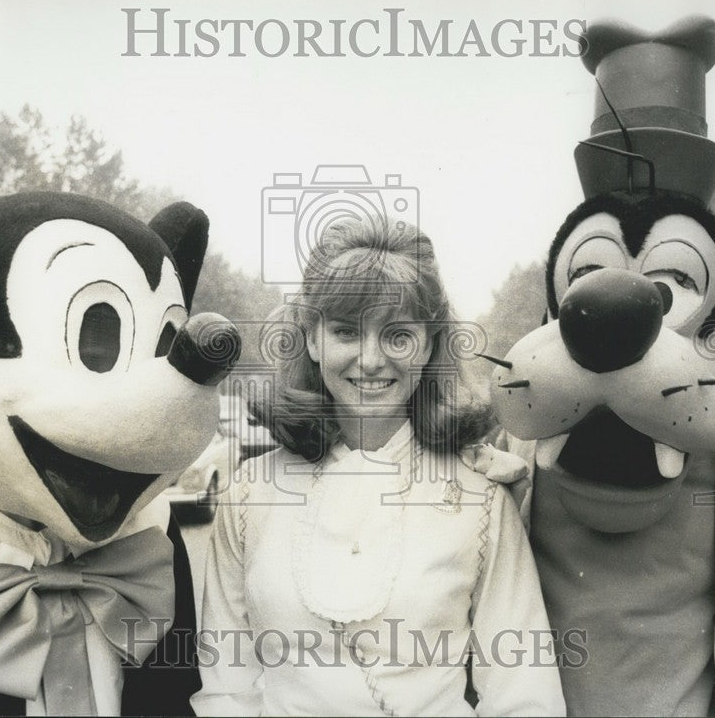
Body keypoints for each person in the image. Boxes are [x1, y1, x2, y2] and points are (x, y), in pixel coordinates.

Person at [191, 218, 565, 716]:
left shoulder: (479, 497)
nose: (370, 359)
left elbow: (524, 689)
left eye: (397, 335)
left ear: (429, 344)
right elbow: (226, 687)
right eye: (346, 331)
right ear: (312, 339)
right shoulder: (250, 494)